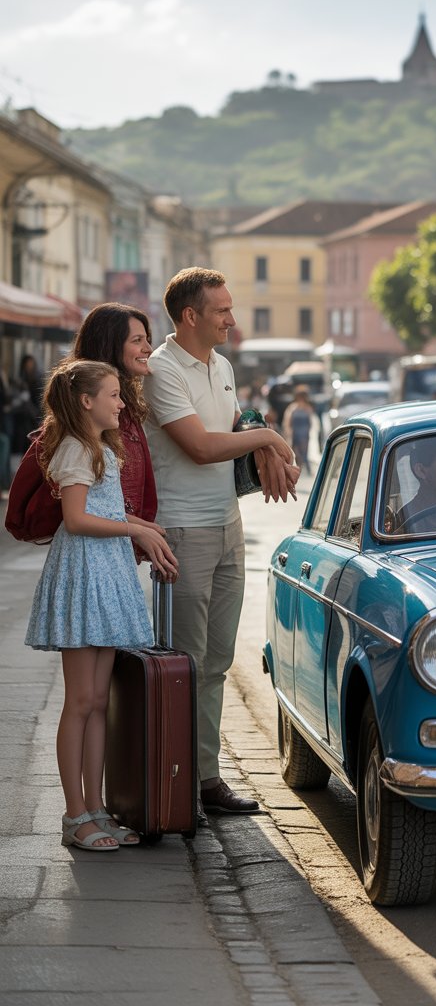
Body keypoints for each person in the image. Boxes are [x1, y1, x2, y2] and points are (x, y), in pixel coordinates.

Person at [143, 267, 300, 823]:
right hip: (183, 531)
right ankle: (176, 783)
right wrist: (270, 436)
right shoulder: (160, 370)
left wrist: (260, 440)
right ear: (190, 316)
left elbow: (232, 424)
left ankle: (204, 778)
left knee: (215, 663)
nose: (232, 319)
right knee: (185, 663)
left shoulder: (223, 364)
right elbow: (203, 447)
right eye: (222, 311)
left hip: (228, 526)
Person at [24, 361, 178, 852]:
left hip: (105, 572)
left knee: (98, 702)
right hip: (85, 574)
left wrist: (143, 525)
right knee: (80, 702)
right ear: (86, 401)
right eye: (113, 395)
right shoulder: (74, 448)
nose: (121, 403)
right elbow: (75, 518)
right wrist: (135, 529)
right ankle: (74, 814)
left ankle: (96, 807)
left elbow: (104, 509)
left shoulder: (99, 448)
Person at [71, 303, 160, 539]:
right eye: (137, 340)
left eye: (147, 339)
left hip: (121, 538)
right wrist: (137, 529)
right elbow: (88, 506)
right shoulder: (90, 412)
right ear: (110, 345)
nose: (148, 348)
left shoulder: (123, 403)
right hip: (100, 544)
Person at [281, 385, 314, 474]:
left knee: (304, 452)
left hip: (304, 433)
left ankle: (306, 469)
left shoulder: (307, 408)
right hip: (296, 432)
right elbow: (287, 421)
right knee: (296, 452)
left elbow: (311, 422)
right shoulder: (293, 407)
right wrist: (288, 432)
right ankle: (298, 468)